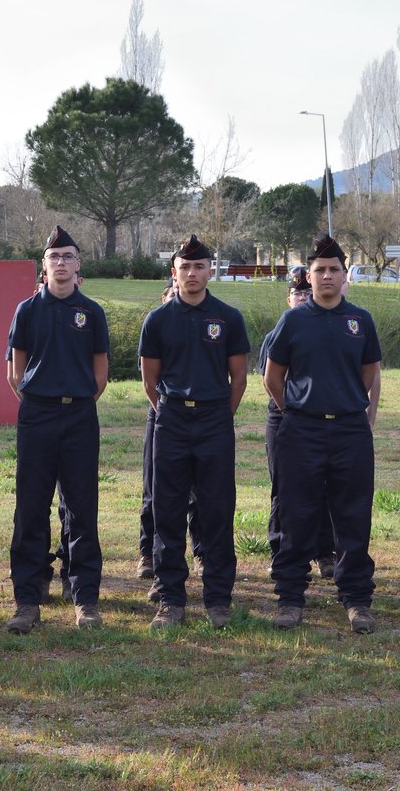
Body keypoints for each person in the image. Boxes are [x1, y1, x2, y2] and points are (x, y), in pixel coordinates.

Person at [263, 234, 381, 633]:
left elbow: (369, 374)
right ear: (308, 277)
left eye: (333, 269)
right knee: (297, 514)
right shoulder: (293, 320)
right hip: (302, 429)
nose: (327, 276)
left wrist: (355, 410)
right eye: (319, 270)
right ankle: (291, 598)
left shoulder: (360, 320)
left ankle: (356, 598)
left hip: (349, 429)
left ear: (344, 275)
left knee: (352, 514)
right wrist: (295, 411)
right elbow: (272, 377)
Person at [139, 234, 249, 630]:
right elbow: (149, 381)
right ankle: (171, 600)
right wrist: (171, 412)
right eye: (184, 267)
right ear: (174, 272)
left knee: (217, 509)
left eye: (199, 266)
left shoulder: (228, 317)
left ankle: (218, 598)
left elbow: (238, 379)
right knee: (167, 511)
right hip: (171, 422)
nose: (192, 273)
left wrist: (218, 414)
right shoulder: (158, 319)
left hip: (214, 421)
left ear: (210, 271)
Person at [6, 225, 109, 633]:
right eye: (54, 258)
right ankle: (28, 599)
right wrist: (40, 402)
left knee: (82, 508)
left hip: (80, 417)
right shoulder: (27, 310)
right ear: (44, 266)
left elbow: (100, 373)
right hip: (37, 416)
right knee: (31, 508)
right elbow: (17, 370)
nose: (61, 263)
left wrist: (76, 399)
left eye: (68, 257)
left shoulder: (92, 312)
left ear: (78, 264)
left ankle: (85, 597)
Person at [259, 268, 335, 579]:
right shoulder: (278, 332)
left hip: (318, 415)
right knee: (285, 487)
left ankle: (325, 551)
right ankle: (282, 549)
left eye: (307, 293)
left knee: (325, 486)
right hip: (283, 414)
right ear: (289, 298)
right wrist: (288, 409)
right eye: (297, 294)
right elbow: (271, 379)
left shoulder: (326, 328)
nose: (302, 298)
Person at [138, 277, 203, 595]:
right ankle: (150, 556)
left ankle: (201, 554)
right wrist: (163, 411)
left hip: (199, 419)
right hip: (163, 412)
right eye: (169, 296)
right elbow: (149, 378)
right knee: (156, 491)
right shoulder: (159, 325)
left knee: (200, 493)